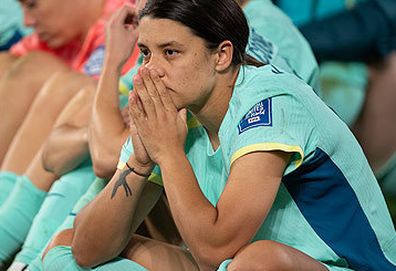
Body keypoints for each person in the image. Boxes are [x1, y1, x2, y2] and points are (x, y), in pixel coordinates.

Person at [43, 0, 396, 270]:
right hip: (232, 262)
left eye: (171, 53)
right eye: (146, 54)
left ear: (222, 55)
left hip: (343, 266)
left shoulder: (269, 102)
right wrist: (140, 159)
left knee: (258, 260)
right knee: (65, 242)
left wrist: (167, 152)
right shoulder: (178, 108)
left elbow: (215, 249)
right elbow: (87, 249)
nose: (151, 70)